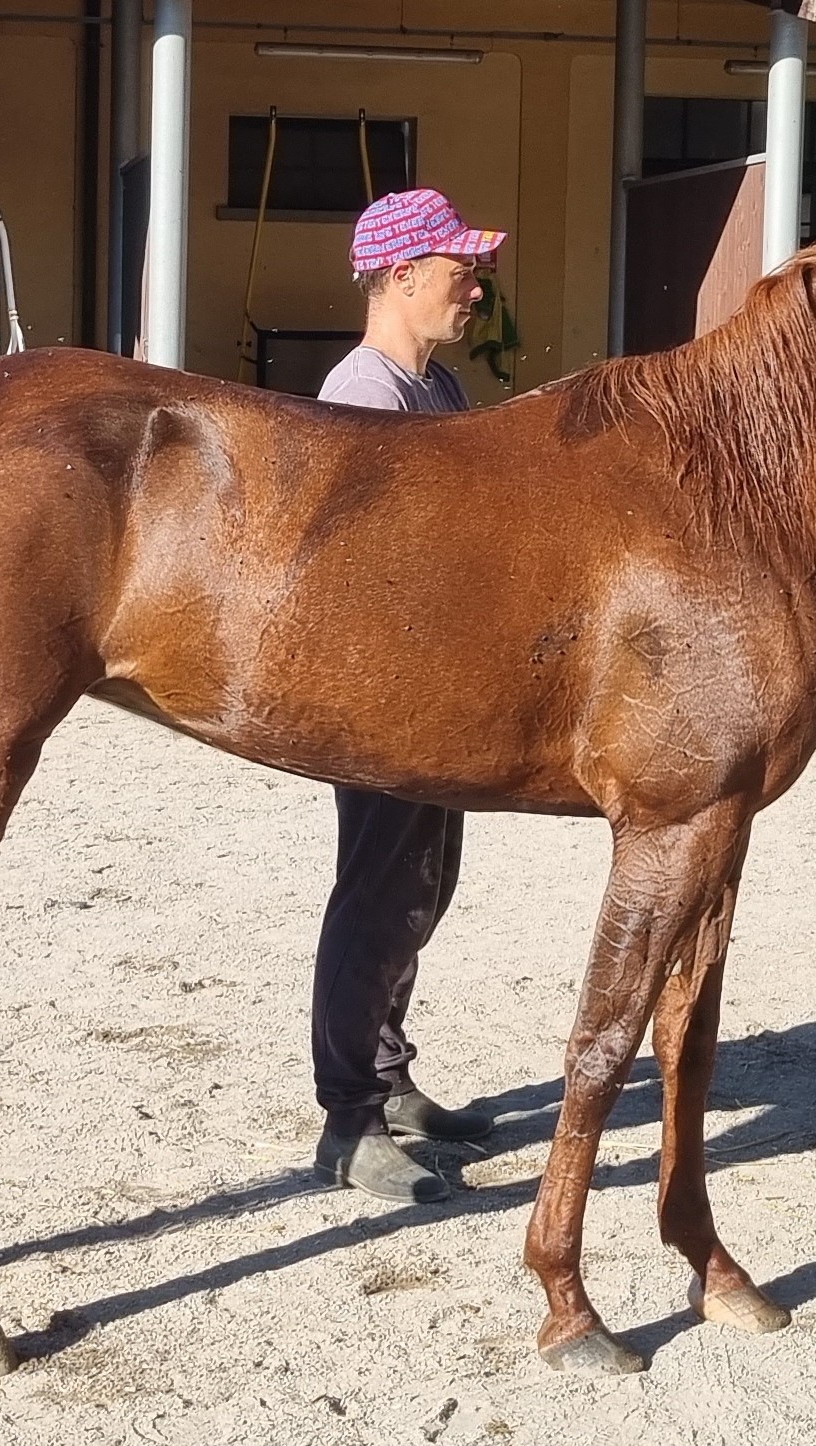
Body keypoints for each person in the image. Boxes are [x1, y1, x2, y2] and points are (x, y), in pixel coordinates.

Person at [309, 189, 508, 1204]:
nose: (475, 289)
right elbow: (366, 567)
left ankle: (386, 1080)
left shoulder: (438, 389)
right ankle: (347, 1123)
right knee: (377, 892)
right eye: (459, 271)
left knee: (420, 891)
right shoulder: (364, 394)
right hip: (384, 696)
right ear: (400, 276)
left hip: (437, 693)